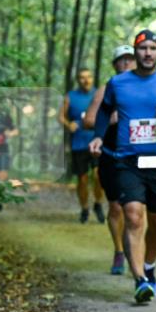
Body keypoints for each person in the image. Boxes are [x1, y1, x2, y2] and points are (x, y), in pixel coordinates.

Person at [90, 30, 156, 303]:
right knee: (134, 216)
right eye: (143, 48)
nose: (148, 53)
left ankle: (149, 266)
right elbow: (103, 111)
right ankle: (139, 279)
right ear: (135, 52)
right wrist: (99, 136)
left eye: (153, 48)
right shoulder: (118, 83)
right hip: (127, 161)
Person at [83, 46, 136, 275]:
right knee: (116, 208)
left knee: (136, 207)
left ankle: (136, 250)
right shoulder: (107, 89)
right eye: (121, 60)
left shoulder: (146, 87)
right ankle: (119, 251)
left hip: (138, 155)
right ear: (114, 64)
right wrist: (111, 119)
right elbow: (88, 120)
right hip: (112, 154)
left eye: (129, 60)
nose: (125, 64)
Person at [59, 68, 105, 223]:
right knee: (83, 179)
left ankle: (98, 203)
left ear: (92, 78)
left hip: (98, 141)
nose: (86, 80)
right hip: (79, 144)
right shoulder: (70, 97)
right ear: (78, 80)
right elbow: (61, 117)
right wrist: (68, 124)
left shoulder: (99, 94)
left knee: (99, 176)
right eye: (82, 77)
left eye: (88, 77)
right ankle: (84, 208)